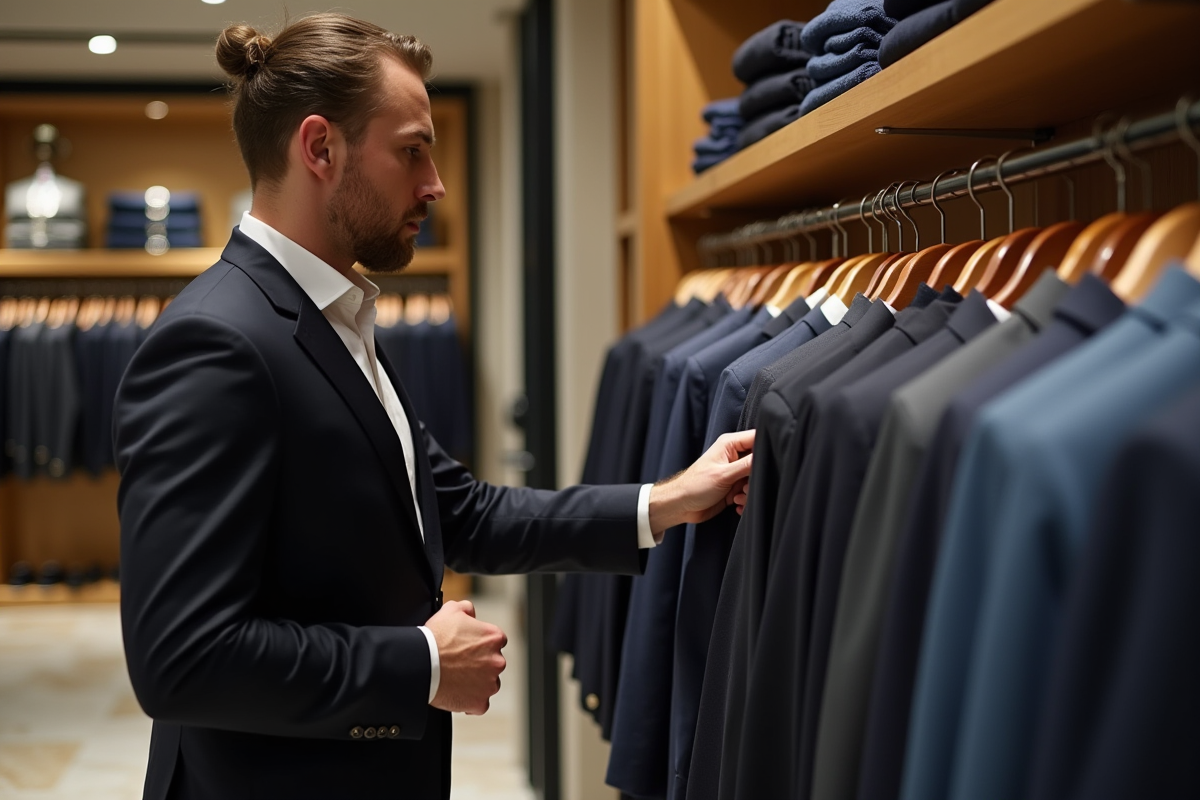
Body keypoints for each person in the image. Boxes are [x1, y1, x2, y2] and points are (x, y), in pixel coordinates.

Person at [113, 13, 754, 800]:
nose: (435, 184)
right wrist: (420, 663)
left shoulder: (333, 318)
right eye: (412, 150)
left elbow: (464, 511)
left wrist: (667, 503)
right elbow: (181, 659)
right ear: (320, 148)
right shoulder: (216, 343)